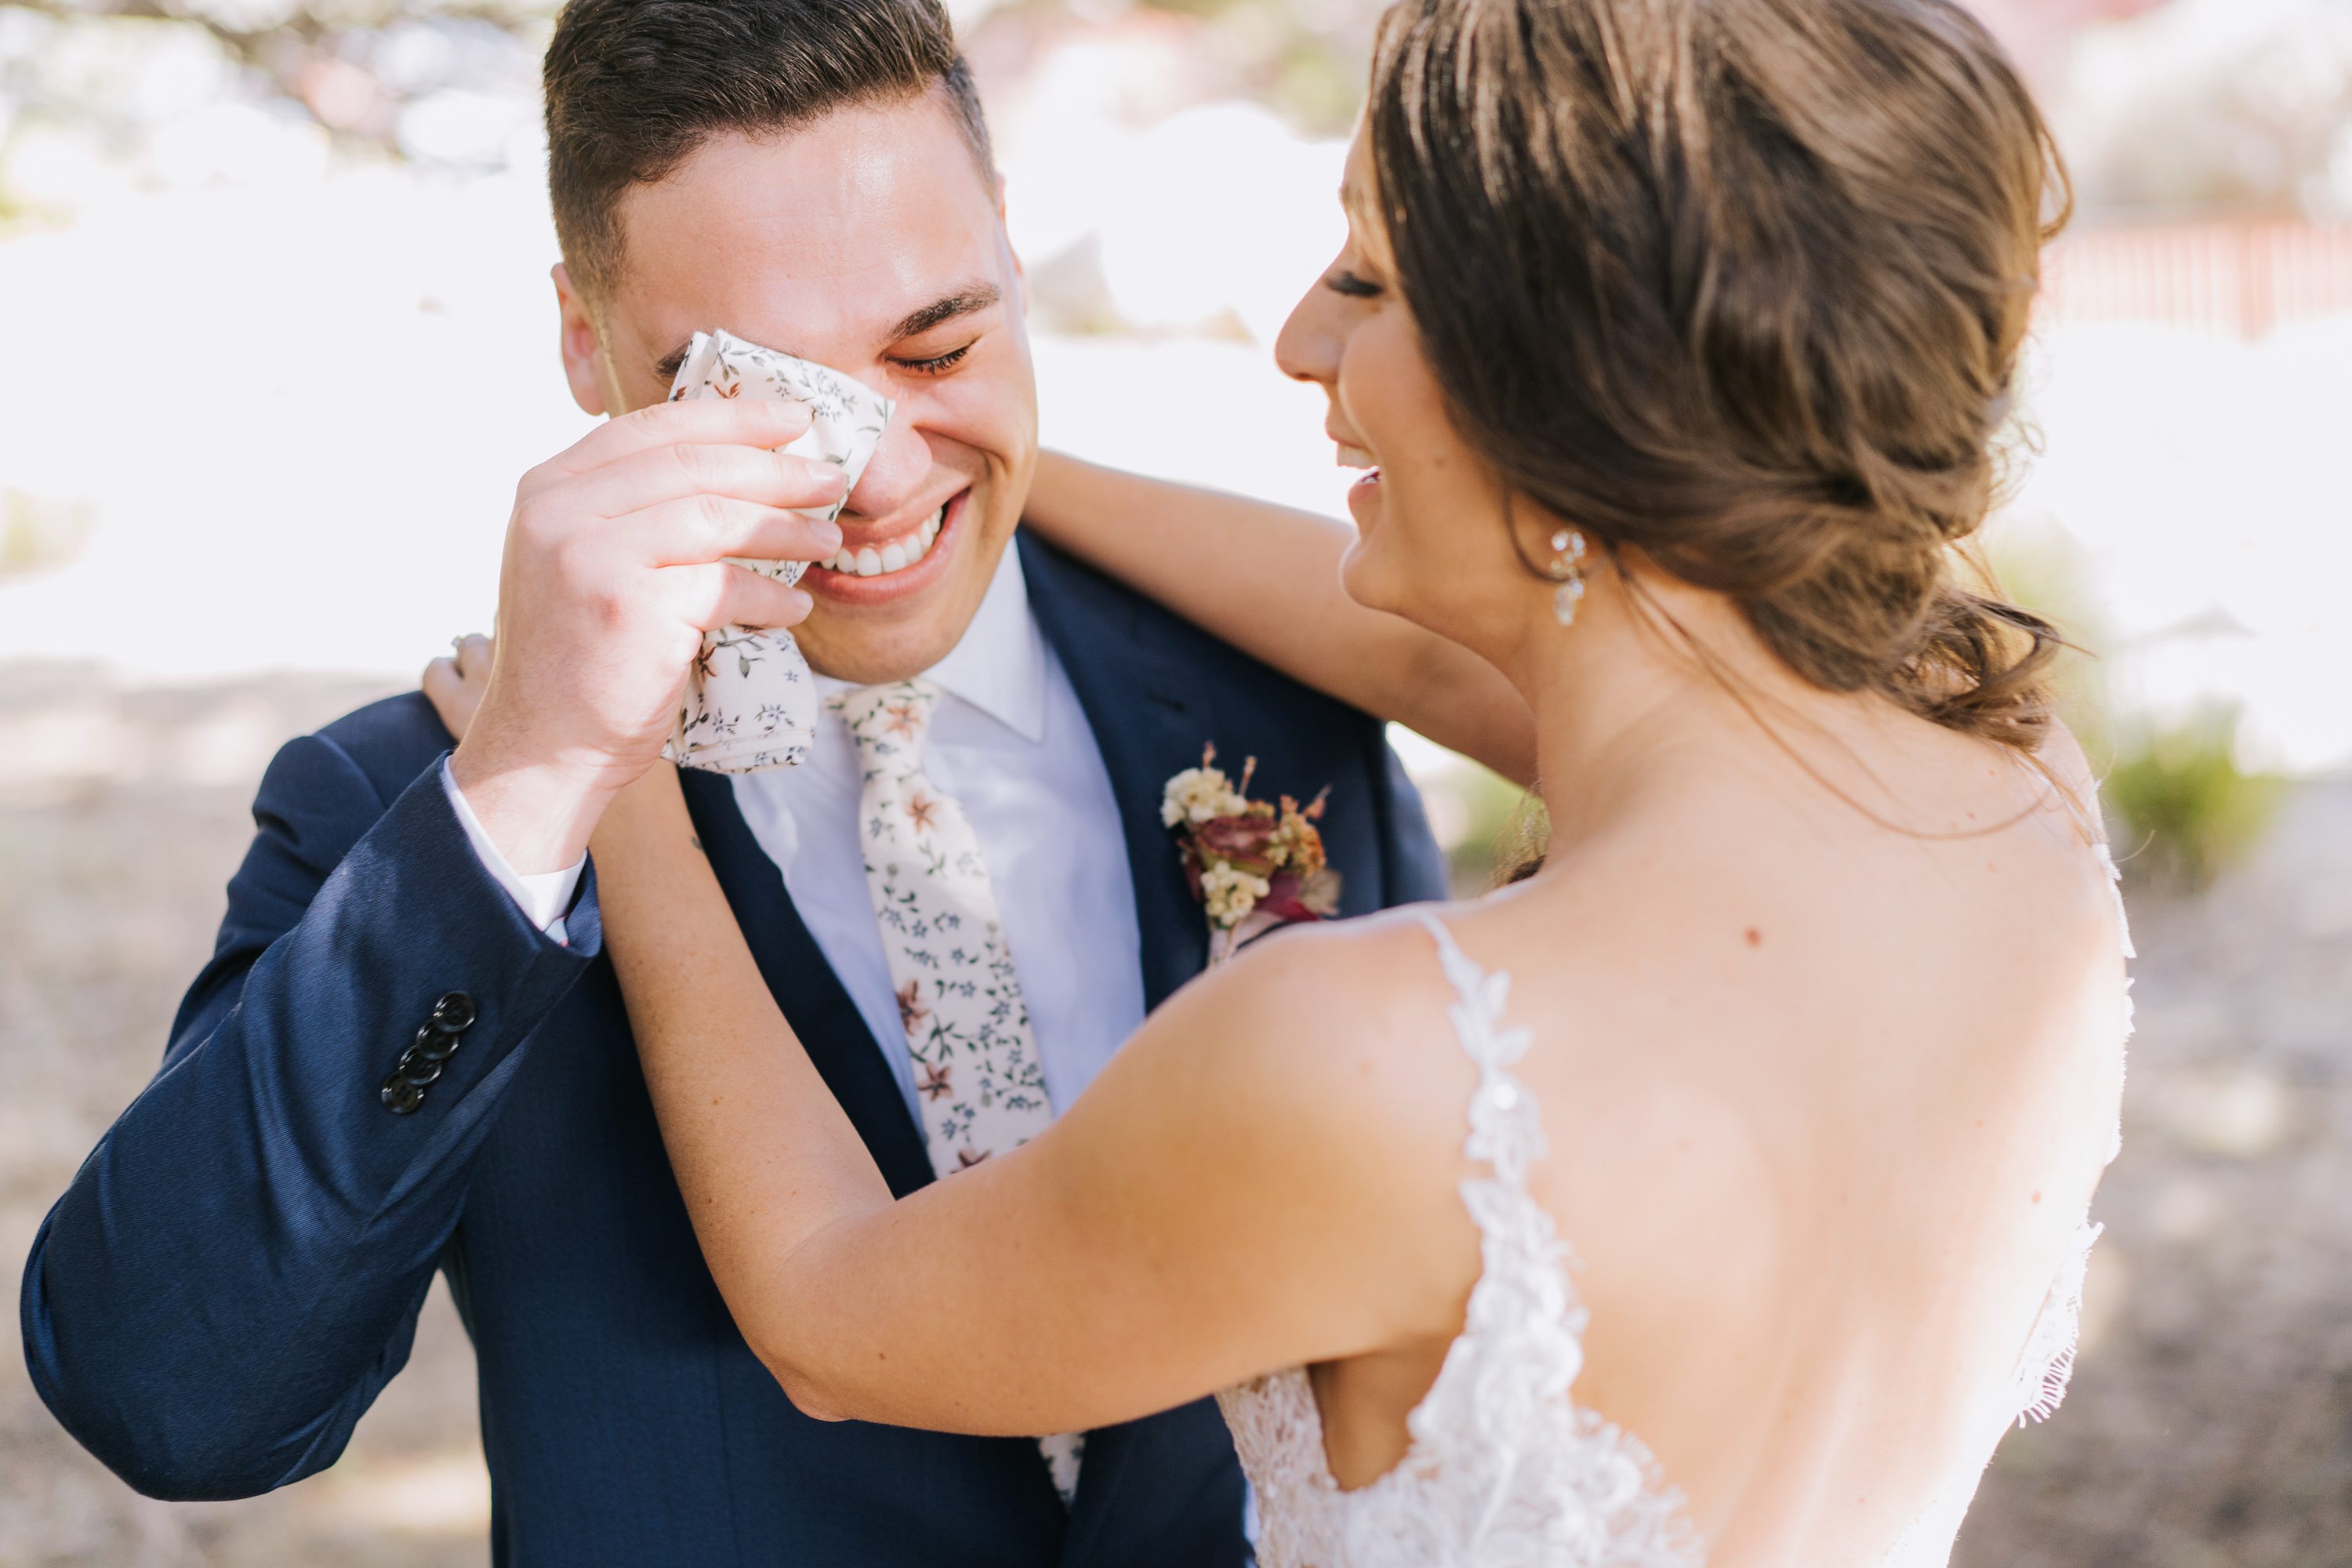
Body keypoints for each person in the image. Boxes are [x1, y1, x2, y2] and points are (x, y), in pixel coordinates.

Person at [421, 0, 2132, 1563]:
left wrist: (604, 765)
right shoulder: (2001, 779)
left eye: (1371, 282)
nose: (1304, 337)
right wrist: (940, 436)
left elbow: (821, 1308)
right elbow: (1435, 649)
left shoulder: (1382, 1059)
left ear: (1570, 391)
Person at [16, 1, 1446, 1563]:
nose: (879, 478)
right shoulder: (425, 812)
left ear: (1013, 250)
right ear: (584, 342)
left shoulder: (1283, 700)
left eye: (939, 344)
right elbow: (170, 1399)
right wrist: (531, 782)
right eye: (758, 397)